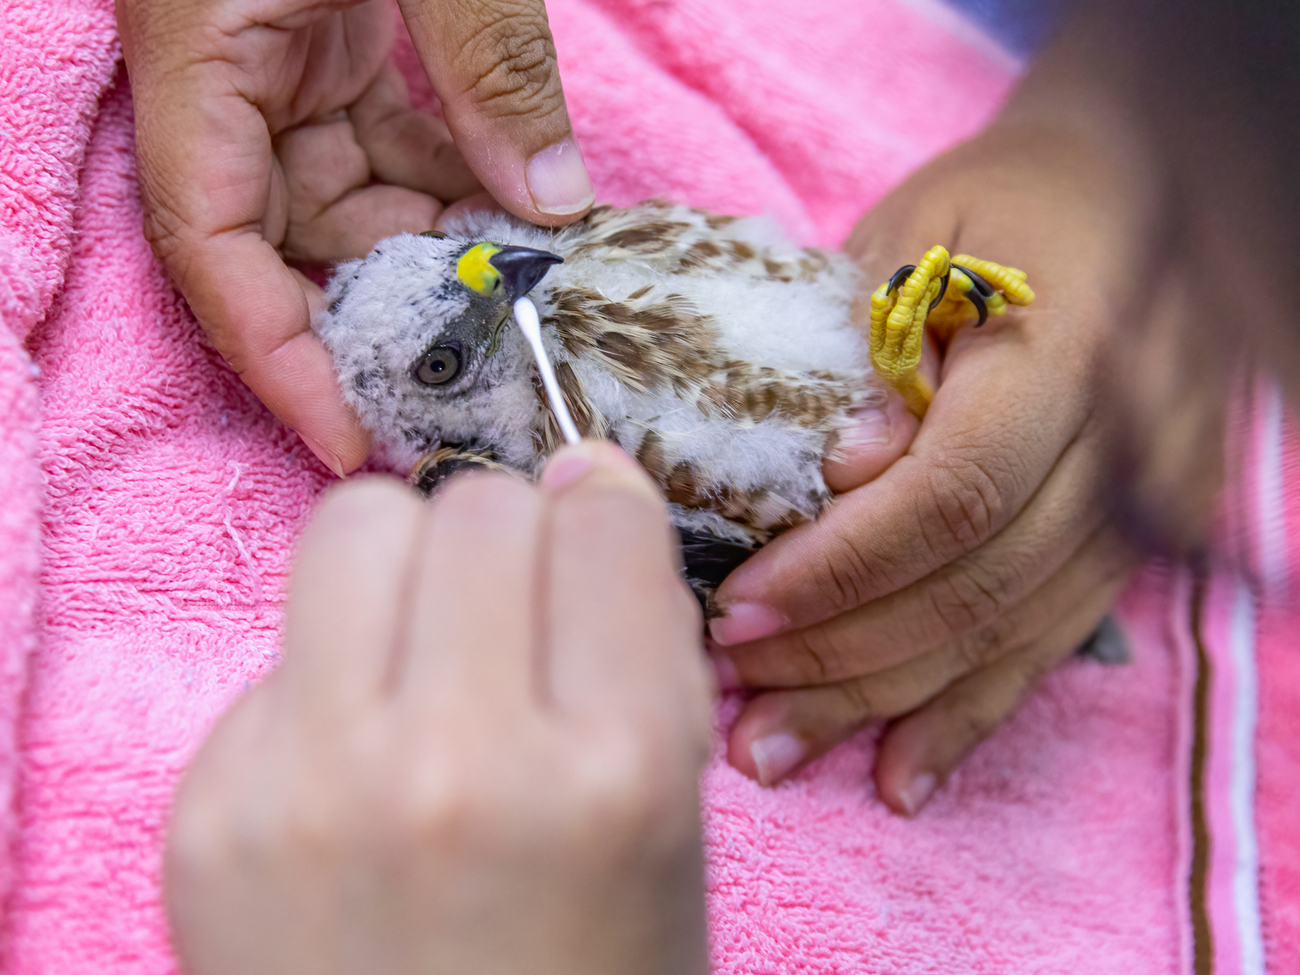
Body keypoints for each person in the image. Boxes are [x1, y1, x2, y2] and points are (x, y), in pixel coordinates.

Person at [121, 0, 1300, 970]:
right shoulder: (525, 464)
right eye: (454, 346)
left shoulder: (554, 271)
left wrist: (1104, 137)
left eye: (471, 263)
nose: (500, 273)